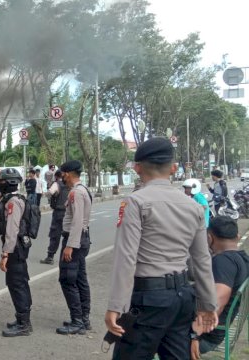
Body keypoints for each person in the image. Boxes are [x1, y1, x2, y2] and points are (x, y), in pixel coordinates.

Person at [105, 137, 218, 359]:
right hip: (182, 298)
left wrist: (116, 306)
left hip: (148, 300)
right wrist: (208, 303)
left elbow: (126, 258)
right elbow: (202, 259)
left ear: (137, 168)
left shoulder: (135, 202)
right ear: (174, 168)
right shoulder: (193, 206)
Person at [191, 216, 249, 359]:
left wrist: (194, 336)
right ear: (237, 236)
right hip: (218, 331)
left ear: (209, 238)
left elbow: (216, 302)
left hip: (207, 336)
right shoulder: (243, 258)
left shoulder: (224, 261)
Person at [55, 160, 93, 335]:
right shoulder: (82, 190)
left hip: (74, 241)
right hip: (81, 240)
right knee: (80, 279)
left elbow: (77, 221)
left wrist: (70, 245)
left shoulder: (75, 193)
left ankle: (77, 320)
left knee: (68, 279)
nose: (61, 177)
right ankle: (83, 318)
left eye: (62, 174)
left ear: (68, 173)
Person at [0, 168, 33, 337]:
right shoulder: (11, 199)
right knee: (18, 283)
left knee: (17, 284)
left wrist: (5, 254)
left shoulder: (13, 202)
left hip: (14, 249)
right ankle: (22, 319)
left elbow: (12, 230)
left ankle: (24, 324)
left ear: (8, 183)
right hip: (17, 248)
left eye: (1, 181)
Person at [41, 170, 68, 265]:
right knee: (68, 234)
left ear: (56, 176)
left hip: (59, 212)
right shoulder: (69, 185)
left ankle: (50, 257)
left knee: (55, 234)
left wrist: (53, 193)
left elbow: (49, 193)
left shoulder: (57, 184)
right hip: (68, 212)